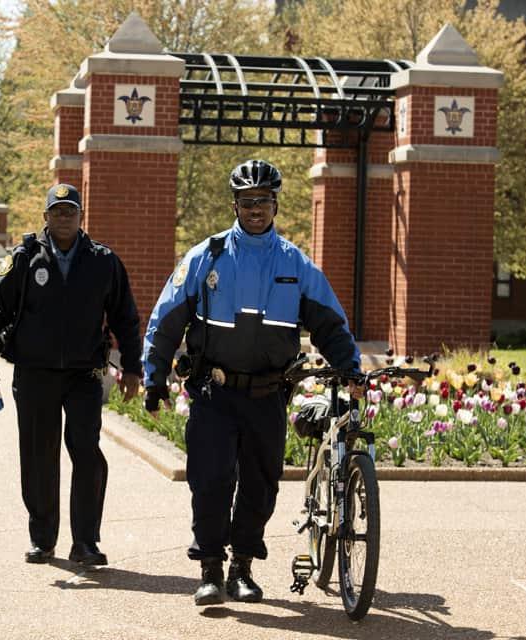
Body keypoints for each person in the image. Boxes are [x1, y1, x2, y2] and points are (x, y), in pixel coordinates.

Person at [142, 160, 362, 606]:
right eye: (247, 202)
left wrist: (351, 368)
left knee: (261, 485)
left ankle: (242, 565)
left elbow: (330, 325)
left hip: (266, 394)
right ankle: (210, 569)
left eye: (263, 201)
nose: (255, 209)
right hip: (214, 392)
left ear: (275, 204)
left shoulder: (295, 264)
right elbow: (166, 320)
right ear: (235, 205)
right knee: (211, 480)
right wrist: (154, 377)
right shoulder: (208, 255)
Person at [0, 183, 143, 567]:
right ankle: (43, 539)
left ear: (81, 217)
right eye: (57, 211)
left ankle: (85, 542)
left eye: (71, 211)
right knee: (38, 456)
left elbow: (125, 318)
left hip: (84, 374)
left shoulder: (103, 261)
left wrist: (133, 366)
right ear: (46, 217)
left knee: (86, 454)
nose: (64, 217)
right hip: (34, 374)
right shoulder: (25, 258)